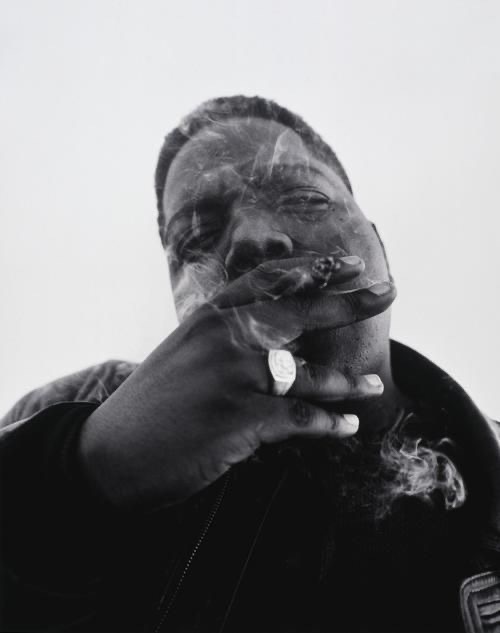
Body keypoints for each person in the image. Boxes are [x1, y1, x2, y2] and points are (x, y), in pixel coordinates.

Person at [1, 95, 500, 633]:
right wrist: (77, 479)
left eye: (306, 197)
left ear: (380, 246)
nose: (251, 239)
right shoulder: (80, 414)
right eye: (195, 236)